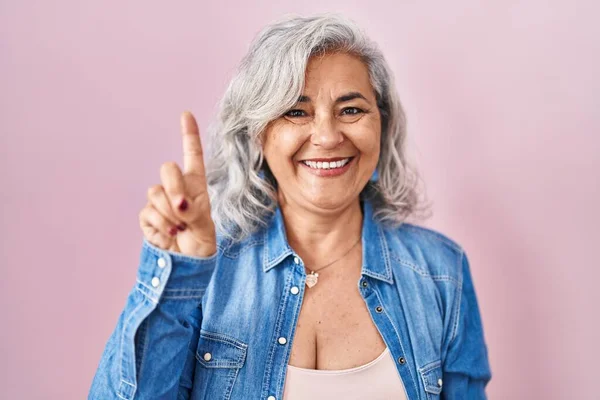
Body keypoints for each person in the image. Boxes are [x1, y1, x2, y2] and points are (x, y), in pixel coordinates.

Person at [88, 13, 491, 400]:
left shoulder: (442, 270)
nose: (328, 136)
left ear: (382, 125)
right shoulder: (204, 269)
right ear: (259, 134)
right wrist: (178, 278)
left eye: (351, 110)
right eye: (295, 112)